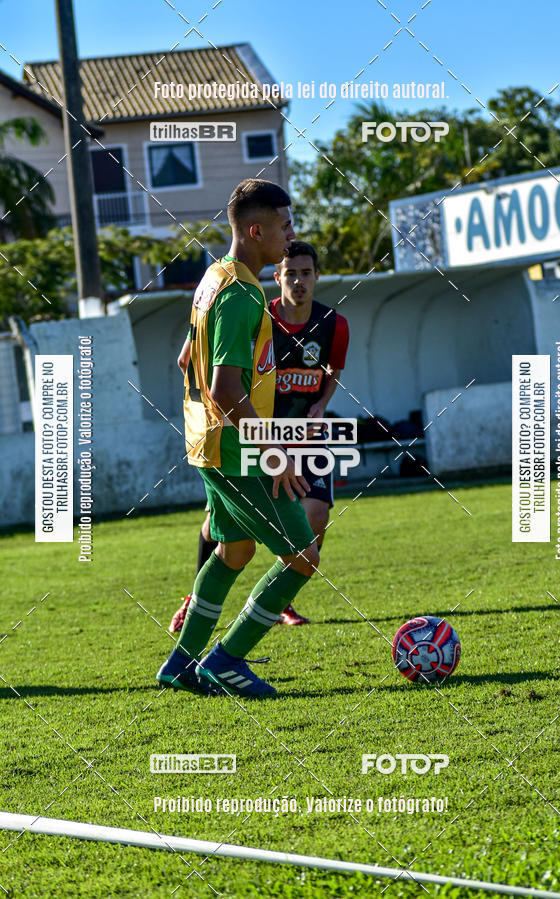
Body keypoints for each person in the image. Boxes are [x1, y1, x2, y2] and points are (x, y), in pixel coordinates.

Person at [156, 178, 319, 698]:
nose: (291, 234)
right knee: (303, 556)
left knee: (235, 550)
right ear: (255, 230)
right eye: (285, 225)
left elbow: (186, 357)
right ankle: (225, 659)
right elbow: (226, 389)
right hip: (236, 449)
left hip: (207, 442)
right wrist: (273, 454)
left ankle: (181, 664)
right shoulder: (245, 294)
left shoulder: (213, 278)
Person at [168, 240, 349, 632]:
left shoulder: (334, 324)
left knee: (315, 515)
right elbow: (213, 374)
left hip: (303, 433)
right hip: (255, 434)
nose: (299, 281)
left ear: (317, 276)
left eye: (306, 273)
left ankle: (283, 599)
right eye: (291, 273)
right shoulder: (254, 309)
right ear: (277, 275)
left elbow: (334, 369)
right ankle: (196, 608)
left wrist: (322, 401)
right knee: (224, 530)